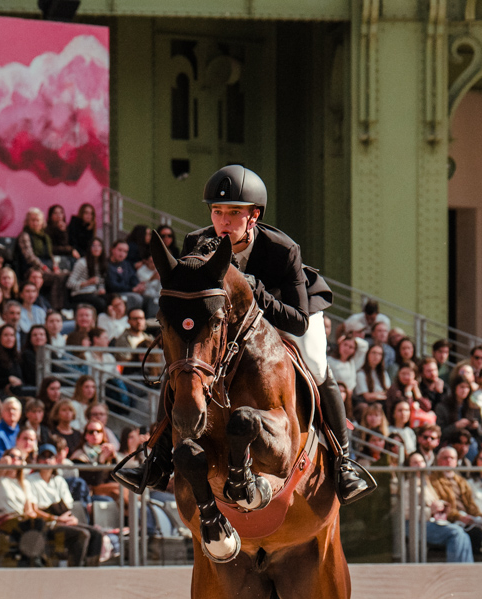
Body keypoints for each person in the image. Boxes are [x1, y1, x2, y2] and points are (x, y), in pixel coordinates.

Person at [115, 163, 374, 505]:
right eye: (217, 212)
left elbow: (296, 320)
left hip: (284, 315)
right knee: (184, 364)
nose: (222, 221)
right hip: (228, 325)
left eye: (233, 213)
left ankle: (343, 461)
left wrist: (256, 290)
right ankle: (157, 456)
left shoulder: (282, 249)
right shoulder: (197, 242)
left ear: (253, 217)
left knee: (316, 364)